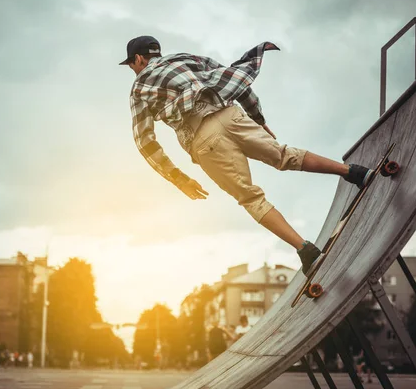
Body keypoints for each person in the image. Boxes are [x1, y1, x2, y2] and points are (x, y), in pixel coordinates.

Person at [121, 36, 374, 275]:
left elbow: (145, 141)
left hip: (203, 140)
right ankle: (355, 172)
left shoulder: (139, 87)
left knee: (251, 198)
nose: (134, 70)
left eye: (132, 65)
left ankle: (307, 251)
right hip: (230, 115)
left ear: (139, 59)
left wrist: (178, 178)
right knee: (285, 155)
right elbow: (234, 81)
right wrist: (258, 119)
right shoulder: (185, 59)